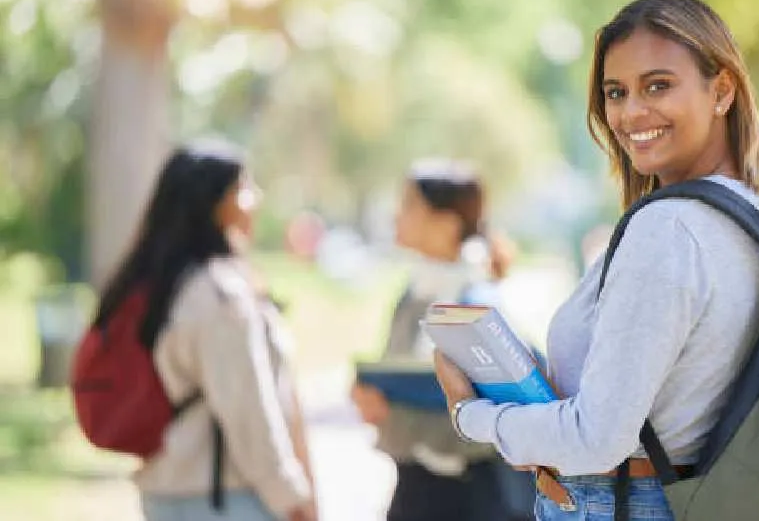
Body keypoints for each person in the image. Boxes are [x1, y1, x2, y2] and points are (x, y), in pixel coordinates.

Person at [433, 0, 759, 521]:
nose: (631, 112)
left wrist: (471, 414)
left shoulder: (668, 230)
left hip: (619, 504)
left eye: (658, 85)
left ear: (722, 90)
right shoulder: (756, 214)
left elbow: (596, 439)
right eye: (616, 92)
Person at [91, 140, 317, 521]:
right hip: (223, 500)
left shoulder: (159, 285)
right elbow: (249, 413)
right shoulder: (220, 296)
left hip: (165, 495)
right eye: (244, 188)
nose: (255, 199)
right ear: (216, 203)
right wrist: (291, 497)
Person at [351, 159, 534, 521]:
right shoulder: (414, 292)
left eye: (409, 206)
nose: (395, 216)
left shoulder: (478, 301)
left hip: (473, 497)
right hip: (416, 488)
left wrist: (392, 415)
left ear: (446, 224)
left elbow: (501, 419)